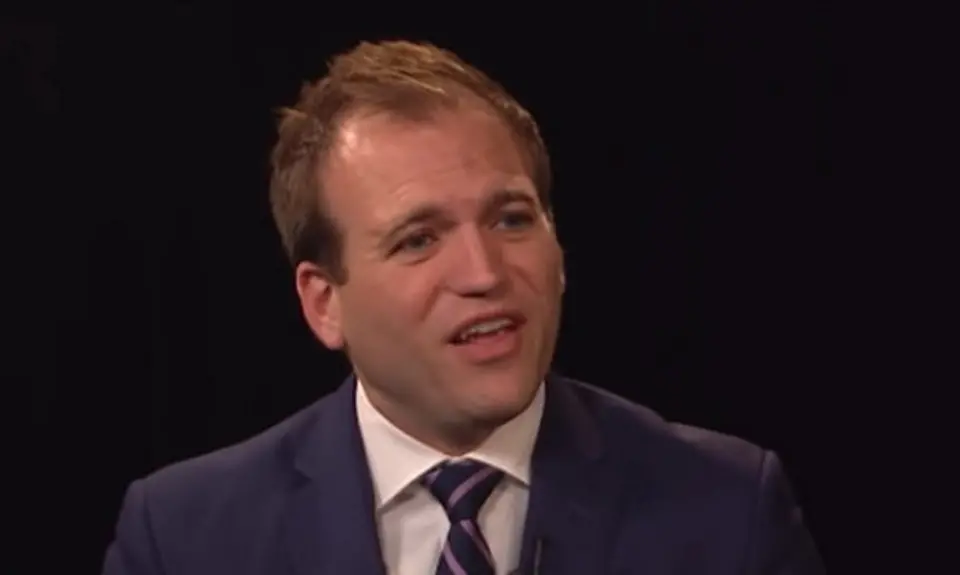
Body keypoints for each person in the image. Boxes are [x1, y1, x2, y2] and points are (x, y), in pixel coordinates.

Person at [101, 40, 825, 575]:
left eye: (511, 219)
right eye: (418, 239)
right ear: (324, 303)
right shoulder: (185, 538)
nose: (484, 273)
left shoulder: (727, 512)